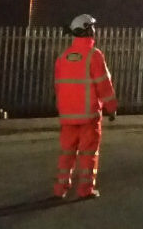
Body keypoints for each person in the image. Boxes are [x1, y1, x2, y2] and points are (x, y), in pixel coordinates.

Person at [53, 14, 117, 199]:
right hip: (88, 117)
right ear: (87, 30)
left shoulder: (62, 57)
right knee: (88, 155)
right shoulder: (94, 56)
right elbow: (104, 85)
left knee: (66, 154)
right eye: (93, 27)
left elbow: (58, 87)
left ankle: (60, 190)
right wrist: (111, 107)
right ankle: (85, 190)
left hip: (67, 117)